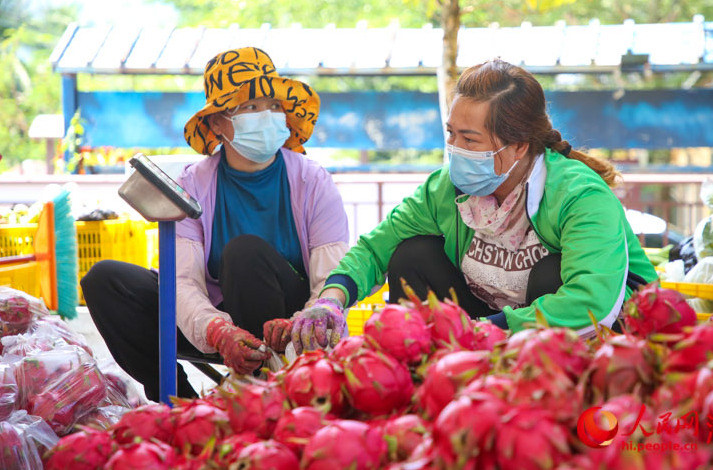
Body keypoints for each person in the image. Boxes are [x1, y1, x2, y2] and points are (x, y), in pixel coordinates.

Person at [290, 59, 657, 352]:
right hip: (490, 323)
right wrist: (331, 300)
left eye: (470, 138)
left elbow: (592, 301)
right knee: (412, 254)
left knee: (551, 273)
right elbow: (377, 247)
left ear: (518, 146)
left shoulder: (579, 196)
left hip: (601, 333)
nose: (456, 149)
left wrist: (483, 332)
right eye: (451, 134)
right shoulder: (446, 189)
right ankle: (421, 370)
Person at [82, 47, 349, 400]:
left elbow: (330, 279)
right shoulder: (193, 184)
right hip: (214, 322)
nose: (266, 115)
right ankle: (181, 402)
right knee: (105, 280)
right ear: (218, 123)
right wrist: (218, 331)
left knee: (243, 252)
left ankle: (275, 390)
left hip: (287, 326)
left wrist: (303, 323)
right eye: (250, 107)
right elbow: (183, 282)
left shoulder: (312, 181)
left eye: (272, 106)